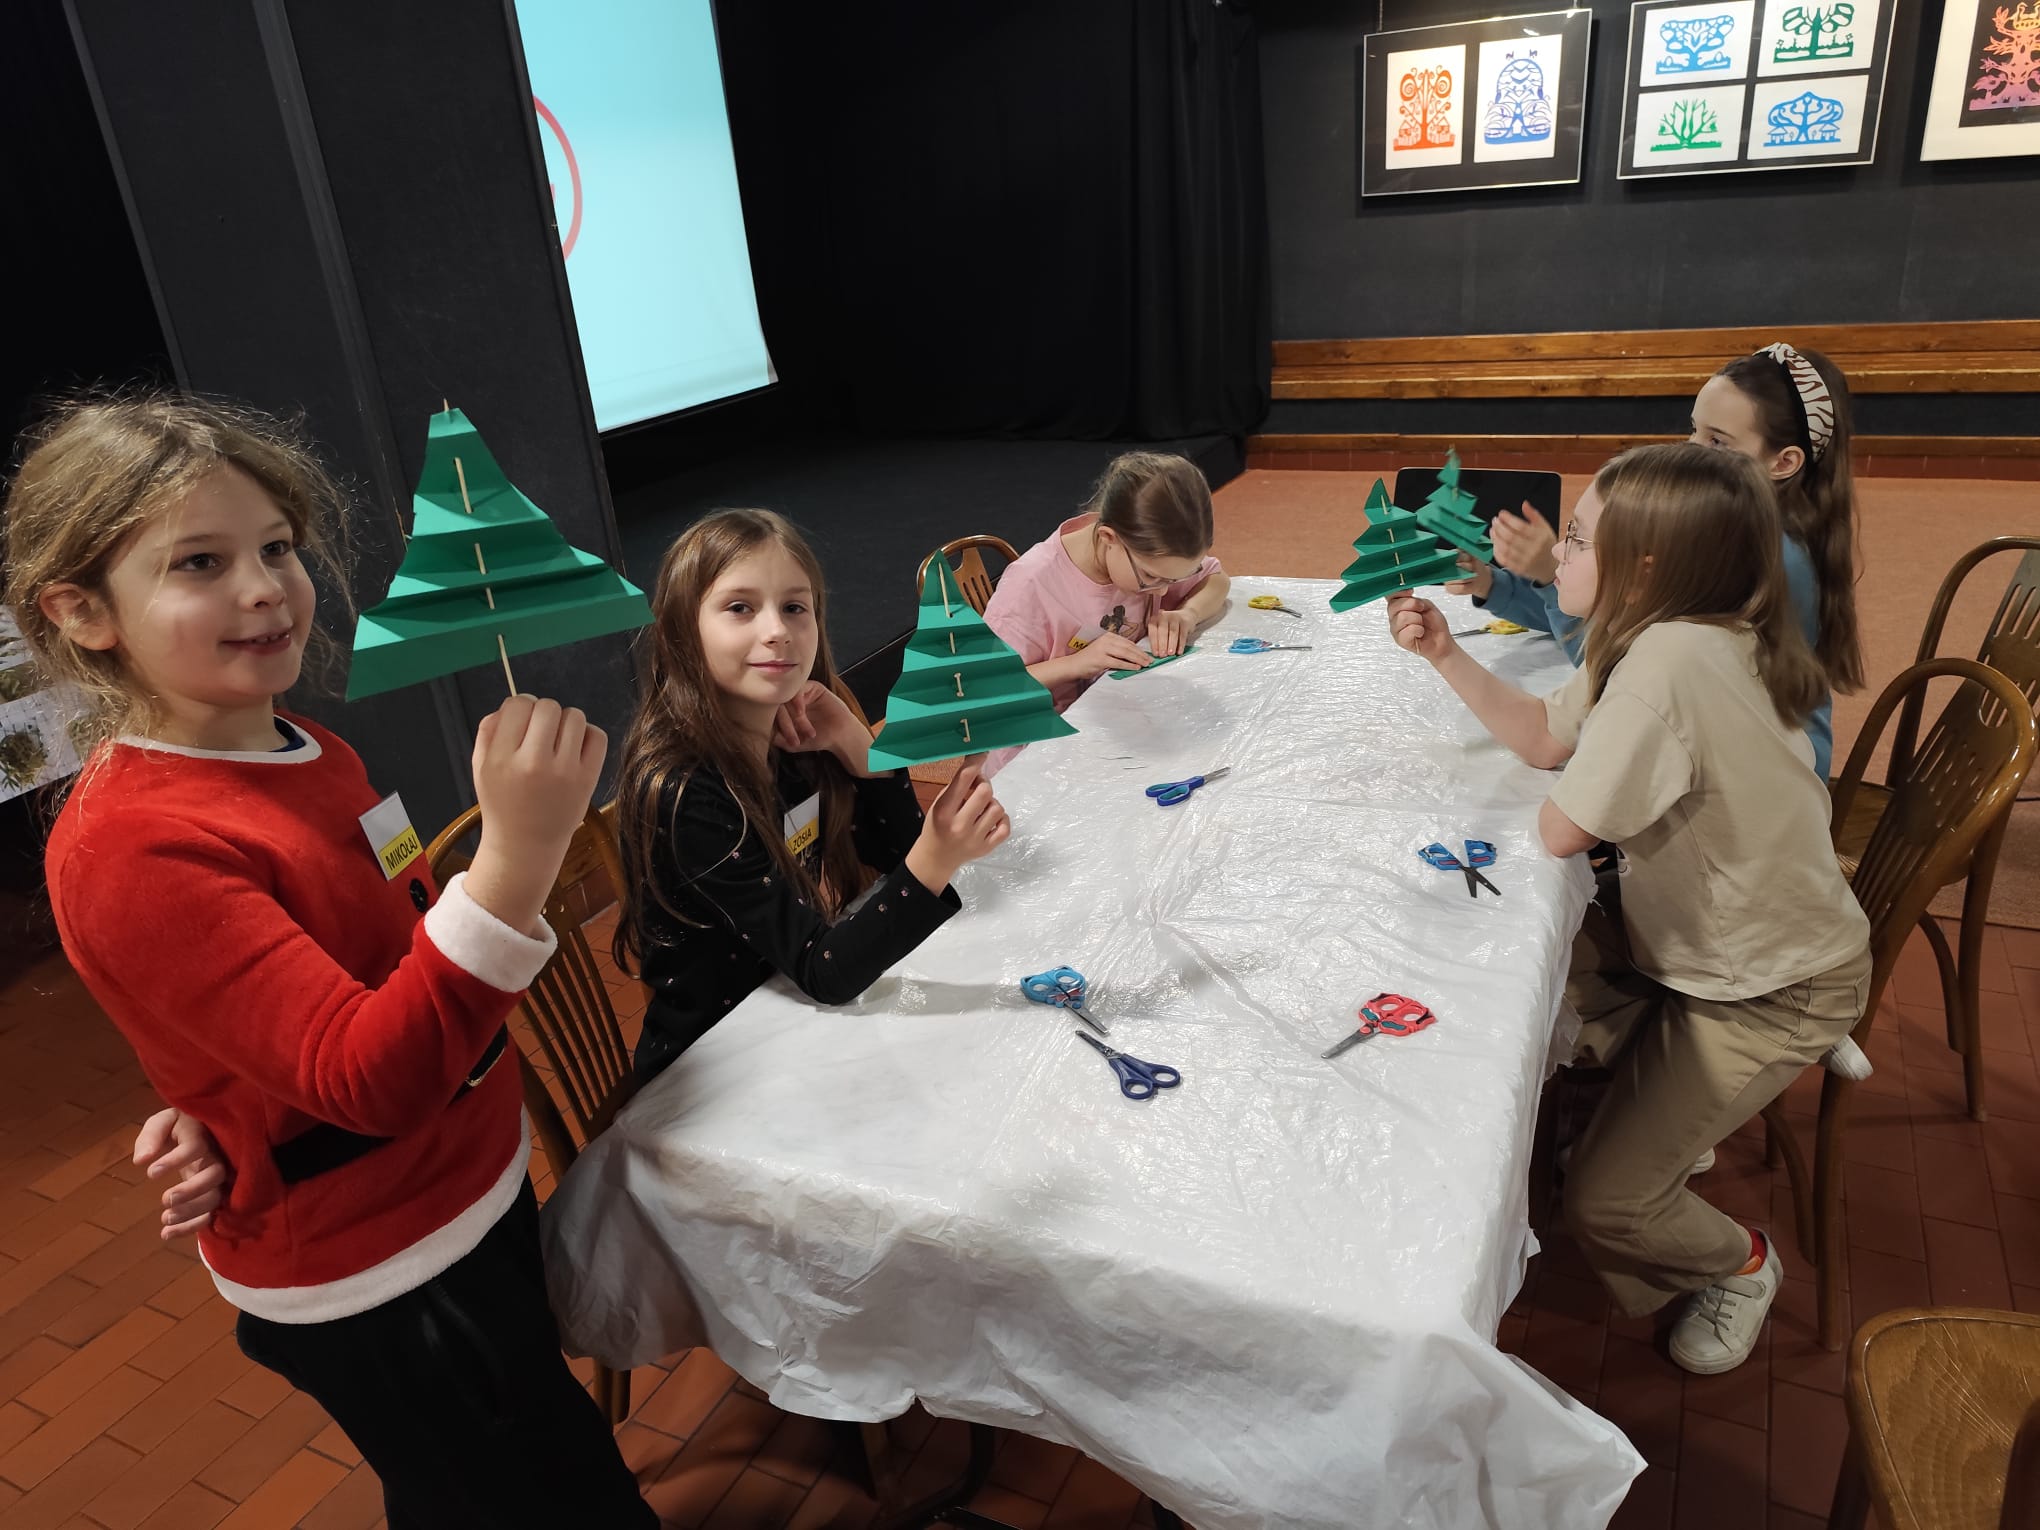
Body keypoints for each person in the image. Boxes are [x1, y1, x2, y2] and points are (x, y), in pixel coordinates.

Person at [5, 394, 653, 1528]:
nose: (265, 588)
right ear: (83, 611)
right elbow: (370, 1076)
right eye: (199, 562)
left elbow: (344, 969)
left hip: (469, 1188)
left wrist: (224, 1094)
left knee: (541, 1462)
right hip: (381, 1268)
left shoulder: (304, 744)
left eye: (277, 548)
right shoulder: (130, 845)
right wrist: (516, 861)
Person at [1388, 442, 1871, 1375]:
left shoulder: (1667, 664)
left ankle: (1742, 1264)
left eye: (1574, 540)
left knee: (1607, 1200)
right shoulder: (1664, 633)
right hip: (1732, 945)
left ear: (1643, 568)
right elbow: (1543, 737)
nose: (1556, 554)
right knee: (1531, 984)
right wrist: (1446, 653)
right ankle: (1671, 1105)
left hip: (1772, 988)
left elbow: (1561, 829)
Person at [615, 508, 1010, 1083]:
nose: (776, 630)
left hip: (788, 1022)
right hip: (714, 1073)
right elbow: (825, 972)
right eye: (740, 607)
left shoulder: (793, 739)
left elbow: (895, 859)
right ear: (683, 632)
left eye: (795, 608)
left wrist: (858, 749)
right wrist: (939, 854)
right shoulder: (687, 794)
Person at [1448, 343, 1862, 779]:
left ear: (1784, 462)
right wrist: (1497, 585)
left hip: (1765, 785)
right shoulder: (1729, 527)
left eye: (1717, 441)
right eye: (1694, 431)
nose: (1690, 451)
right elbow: (1614, 609)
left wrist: (1552, 576)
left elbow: (1620, 666)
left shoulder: (1756, 558)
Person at [980, 453, 1228, 768]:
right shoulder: (1031, 584)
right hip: (1030, 755)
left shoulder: (1146, 551)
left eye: (1174, 580)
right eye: (1151, 577)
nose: (1163, 592)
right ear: (1108, 537)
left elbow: (1217, 580)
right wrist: (1076, 663)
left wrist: (1187, 614)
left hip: (1106, 726)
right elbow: (986, 688)